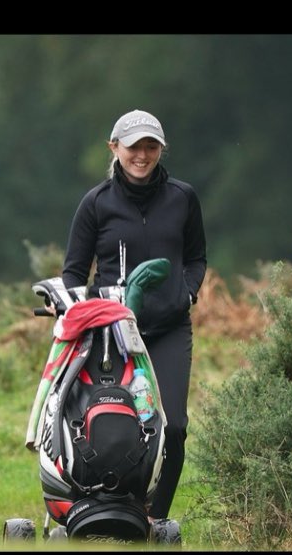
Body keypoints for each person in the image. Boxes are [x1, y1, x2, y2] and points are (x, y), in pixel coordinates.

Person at [61, 109, 207, 521]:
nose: (142, 155)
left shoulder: (183, 197)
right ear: (115, 148)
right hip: (110, 332)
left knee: (172, 426)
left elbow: (196, 257)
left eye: (150, 146)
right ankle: (100, 507)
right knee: (107, 420)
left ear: (161, 149)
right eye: (133, 147)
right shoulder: (96, 203)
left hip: (167, 329)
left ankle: (154, 521)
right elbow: (75, 269)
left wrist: (187, 293)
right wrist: (74, 308)